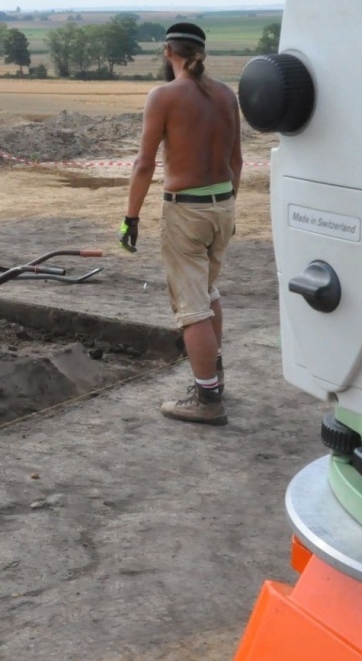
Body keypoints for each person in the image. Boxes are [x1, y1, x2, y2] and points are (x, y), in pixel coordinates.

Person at [121, 23, 242, 426]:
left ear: (168, 51)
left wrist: (130, 217)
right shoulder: (226, 94)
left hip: (185, 212)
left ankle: (207, 399)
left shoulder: (164, 96)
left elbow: (143, 164)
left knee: (192, 309)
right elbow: (237, 161)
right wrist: (228, 206)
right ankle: (215, 376)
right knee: (207, 292)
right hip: (222, 207)